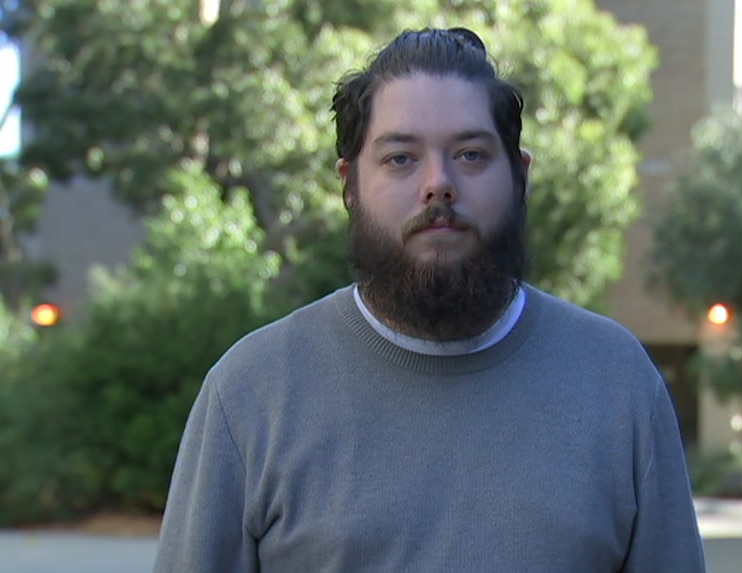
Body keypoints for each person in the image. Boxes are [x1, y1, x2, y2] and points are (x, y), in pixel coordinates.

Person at [153, 27, 706, 572]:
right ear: (350, 186)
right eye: (400, 158)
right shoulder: (250, 394)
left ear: (520, 176)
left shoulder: (618, 383)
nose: (438, 185)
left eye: (470, 155)